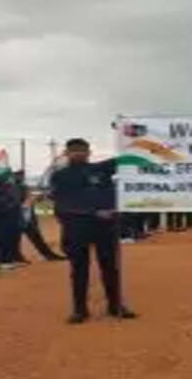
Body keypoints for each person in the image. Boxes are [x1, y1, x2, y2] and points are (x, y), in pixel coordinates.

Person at [49, 138, 137, 324]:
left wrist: (127, 133)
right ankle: (79, 310)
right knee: (79, 269)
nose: (79, 153)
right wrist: (93, 212)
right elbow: (62, 203)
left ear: (89, 152)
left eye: (82, 150)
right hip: (76, 227)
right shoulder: (60, 176)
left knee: (110, 268)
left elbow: (129, 158)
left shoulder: (101, 169)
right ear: (67, 153)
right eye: (74, 150)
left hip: (105, 227)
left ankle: (115, 306)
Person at [13, 171, 66, 262]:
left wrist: (36, 198)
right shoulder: (13, 187)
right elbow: (17, 202)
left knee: (36, 238)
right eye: (18, 175)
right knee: (15, 240)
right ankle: (17, 257)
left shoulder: (24, 187)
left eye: (21, 175)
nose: (20, 177)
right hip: (18, 217)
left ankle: (48, 255)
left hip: (28, 217)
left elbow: (30, 200)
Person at [0, 177, 23, 270]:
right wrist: (7, 205)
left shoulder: (10, 188)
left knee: (8, 239)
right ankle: (0, 261)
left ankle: (7, 260)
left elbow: (15, 200)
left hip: (9, 218)